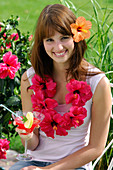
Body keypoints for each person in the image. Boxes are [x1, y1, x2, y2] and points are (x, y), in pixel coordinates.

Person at [10, 3, 112, 170]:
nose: (58, 47)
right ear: (42, 43)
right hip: (34, 162)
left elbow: (96, 148)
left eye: (64, 38)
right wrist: (27, 136)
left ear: (76, 36)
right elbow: (33, 145)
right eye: (50, 40)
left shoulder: (97, 83)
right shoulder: (29, 79)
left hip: (75, 166)